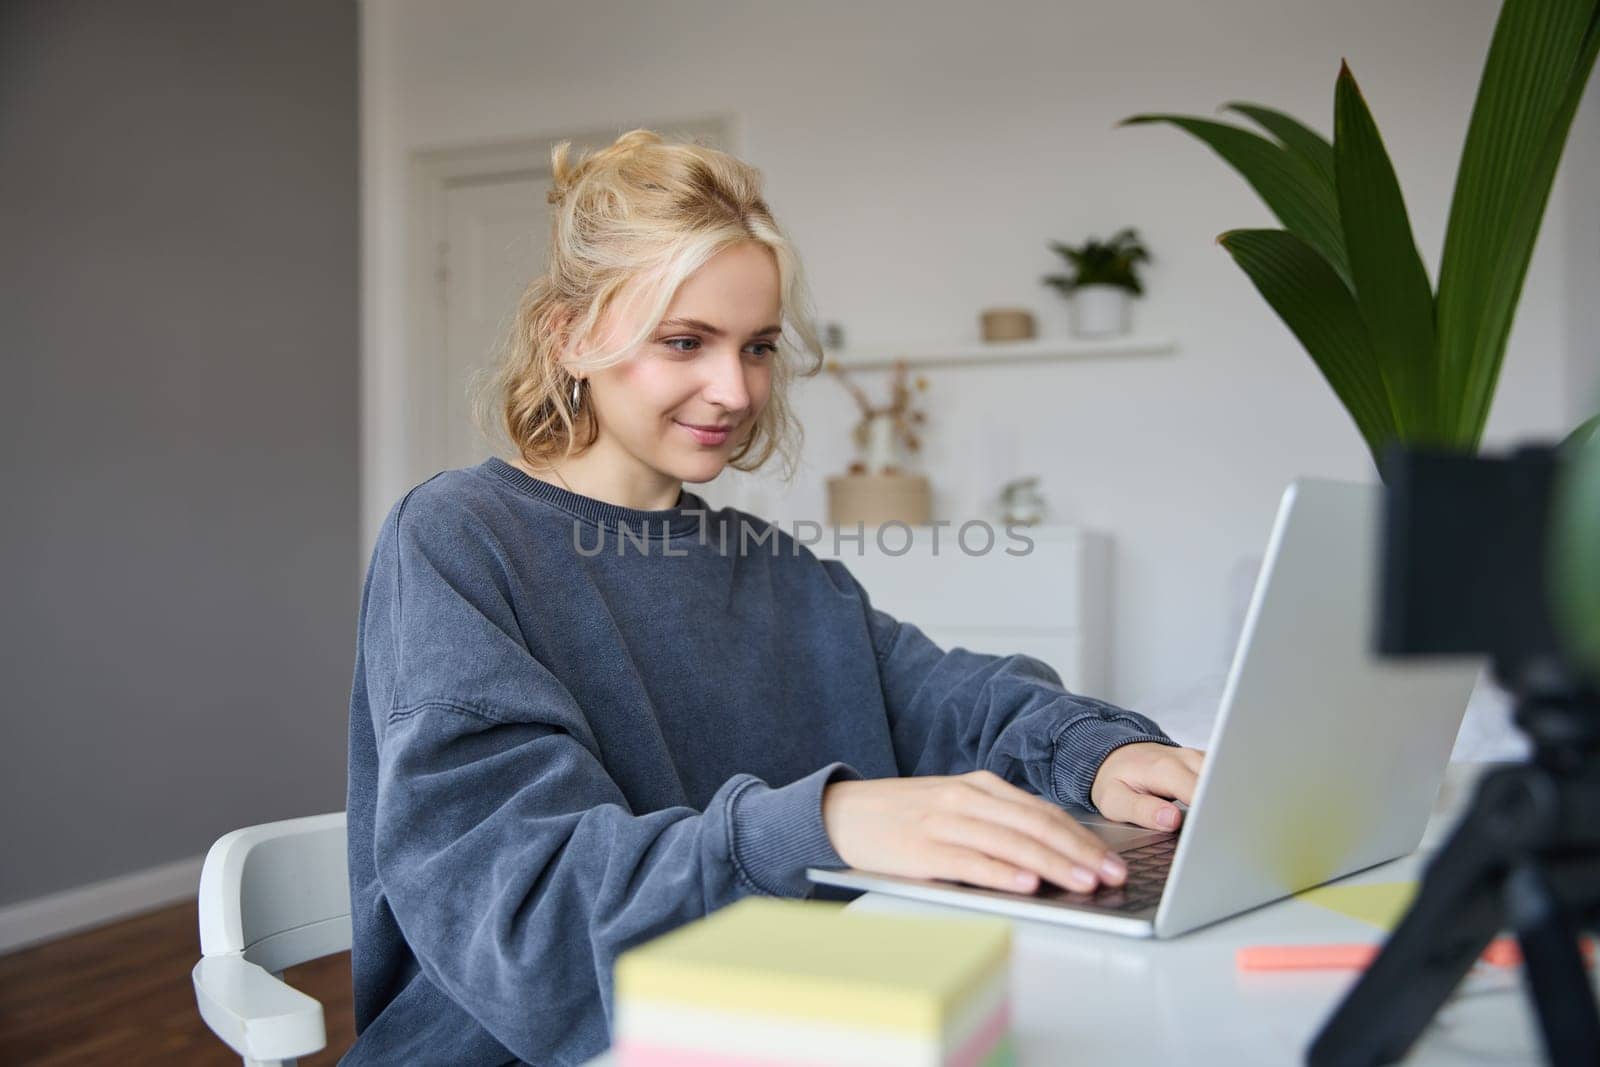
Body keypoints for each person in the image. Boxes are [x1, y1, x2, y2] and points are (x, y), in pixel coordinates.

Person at [342, 129, 1204, 1066]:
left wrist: (1099, 751)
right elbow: (522, 907)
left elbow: (953, 696)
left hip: (793, 1019)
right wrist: (827, 824)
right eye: (686, 342)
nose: (735, 388)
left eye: (757, 346)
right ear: (572, 336)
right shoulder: (459, 536)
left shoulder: (776, 565)